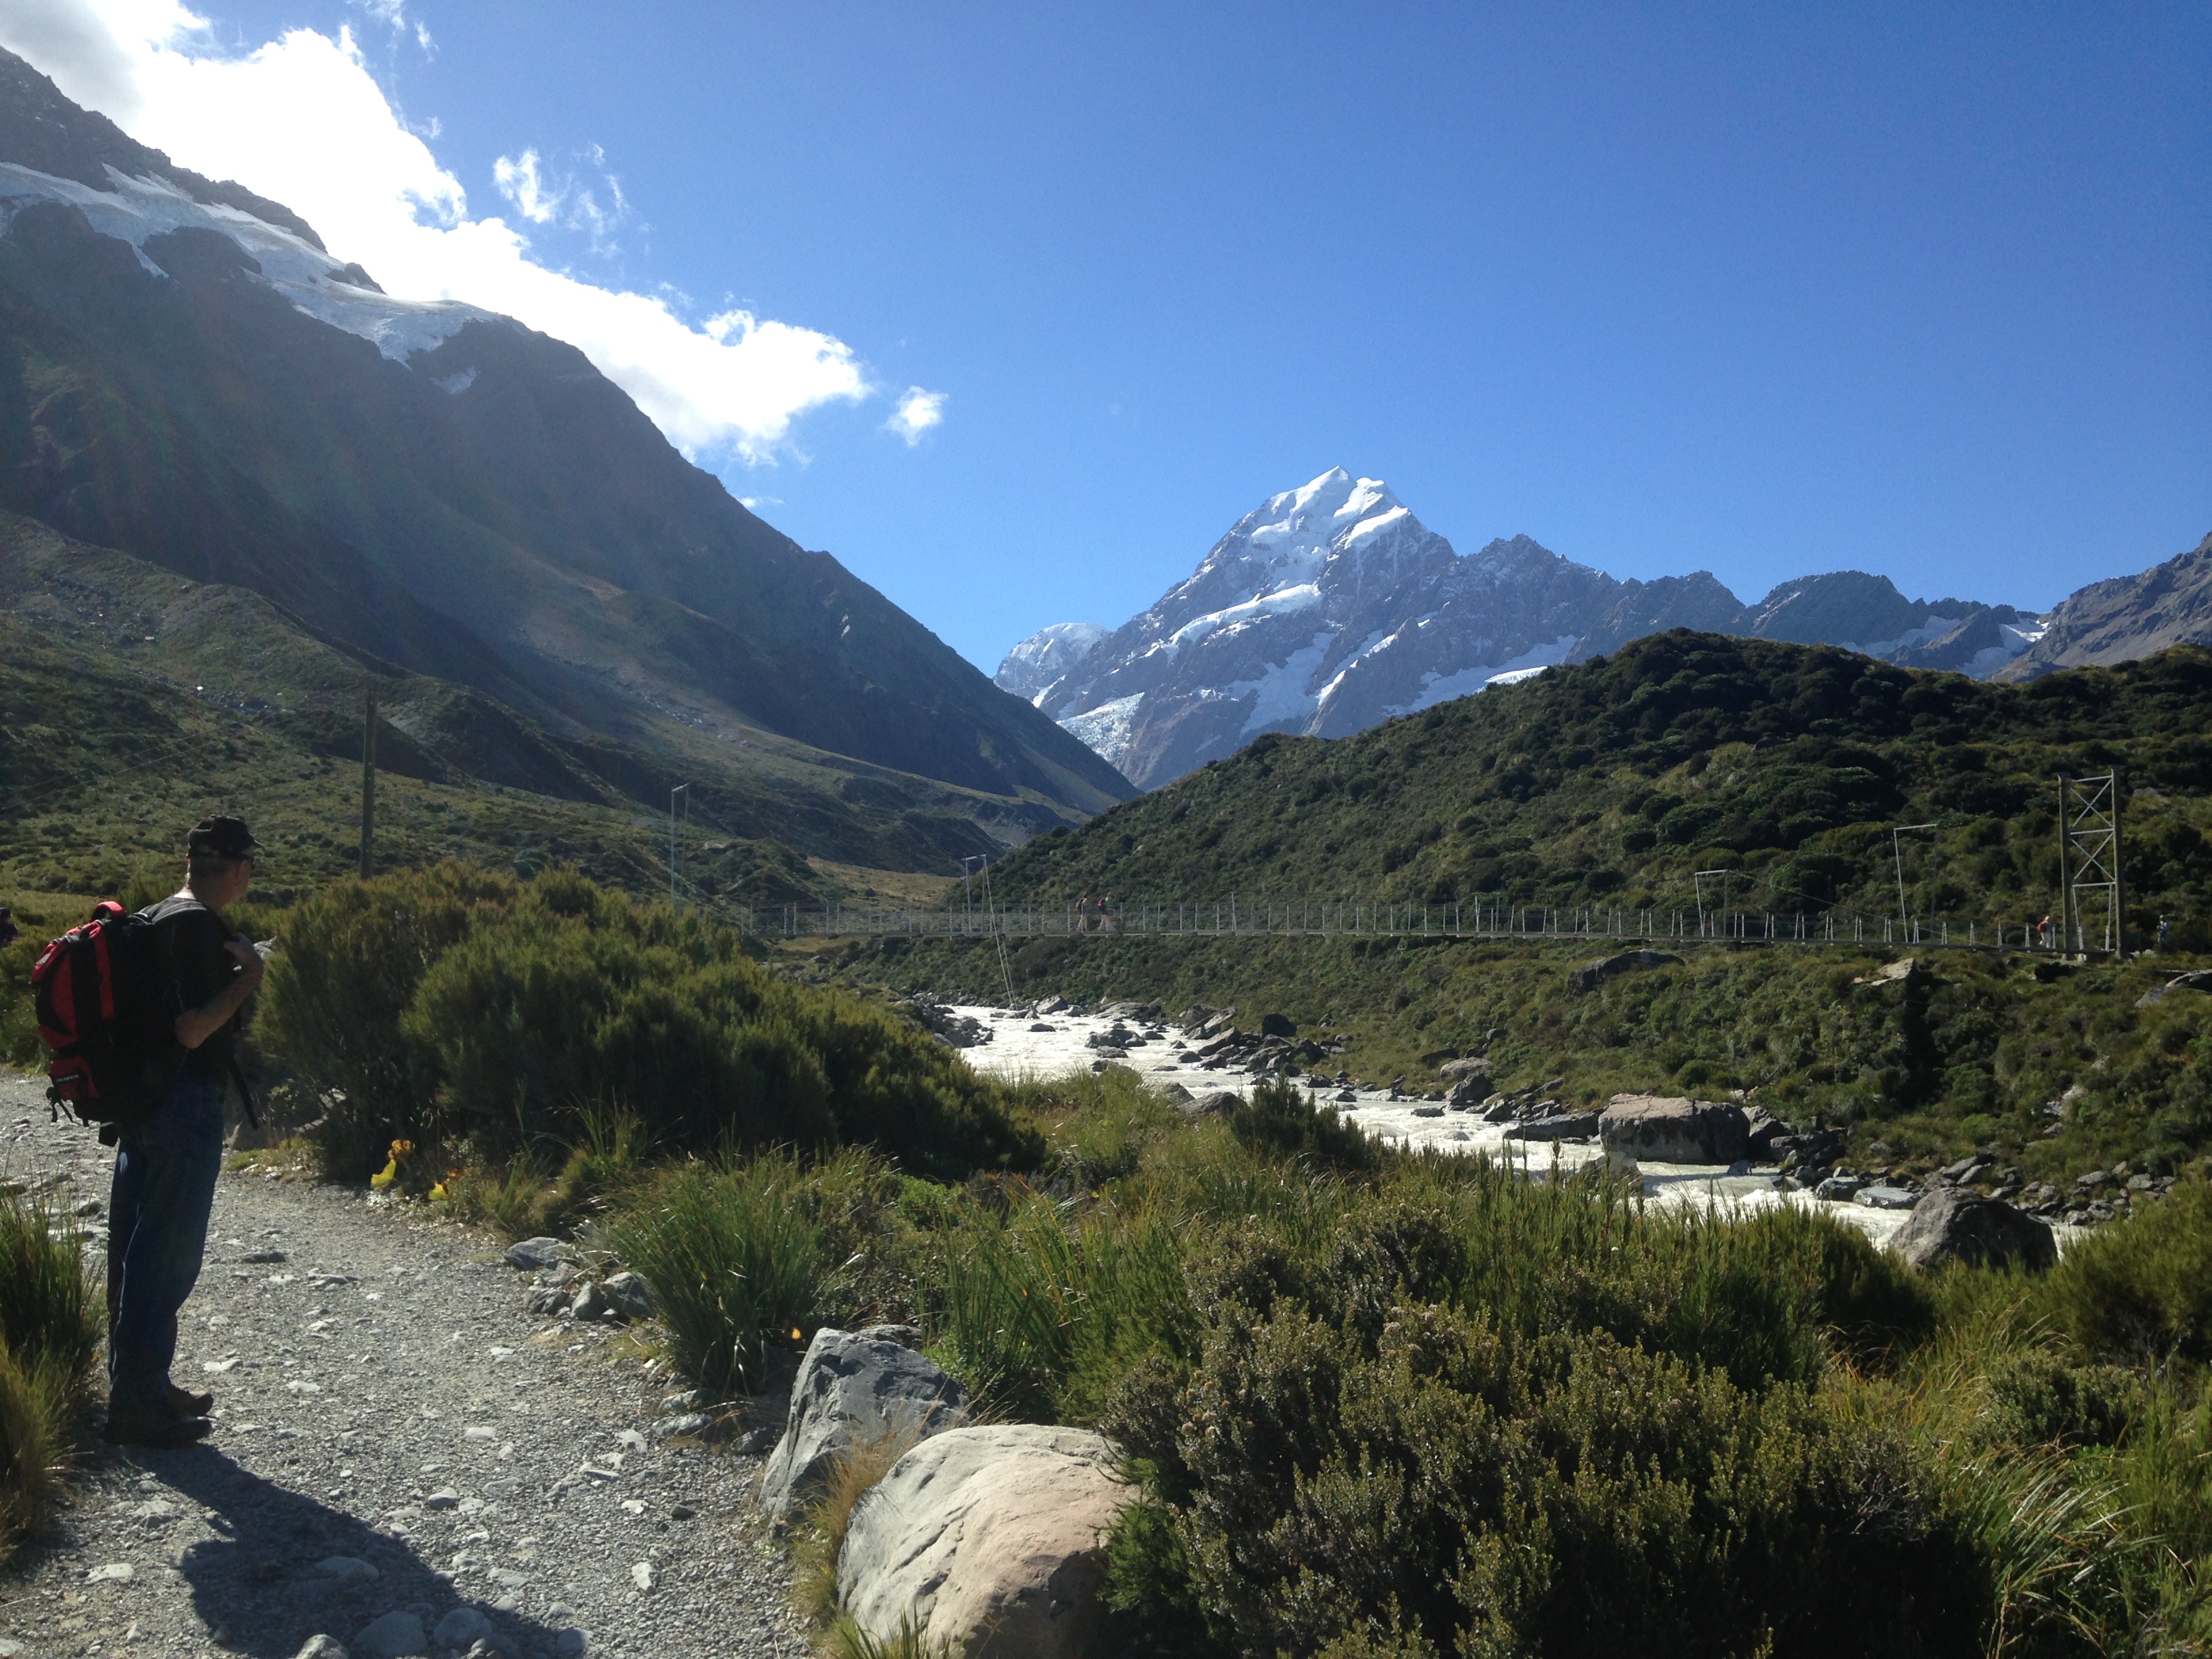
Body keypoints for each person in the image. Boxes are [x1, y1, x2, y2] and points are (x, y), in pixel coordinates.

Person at [104, 815, 266, 1448]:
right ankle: (137, 1404)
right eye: (250, 865)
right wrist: (250, 976)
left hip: (139, 1105)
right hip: (184, 1105)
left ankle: (142, 1382)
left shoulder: (153, 917)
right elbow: (194, 1029)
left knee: (134, 1247)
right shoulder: (200, 927)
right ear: (238, 868)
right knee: (165, 1258)